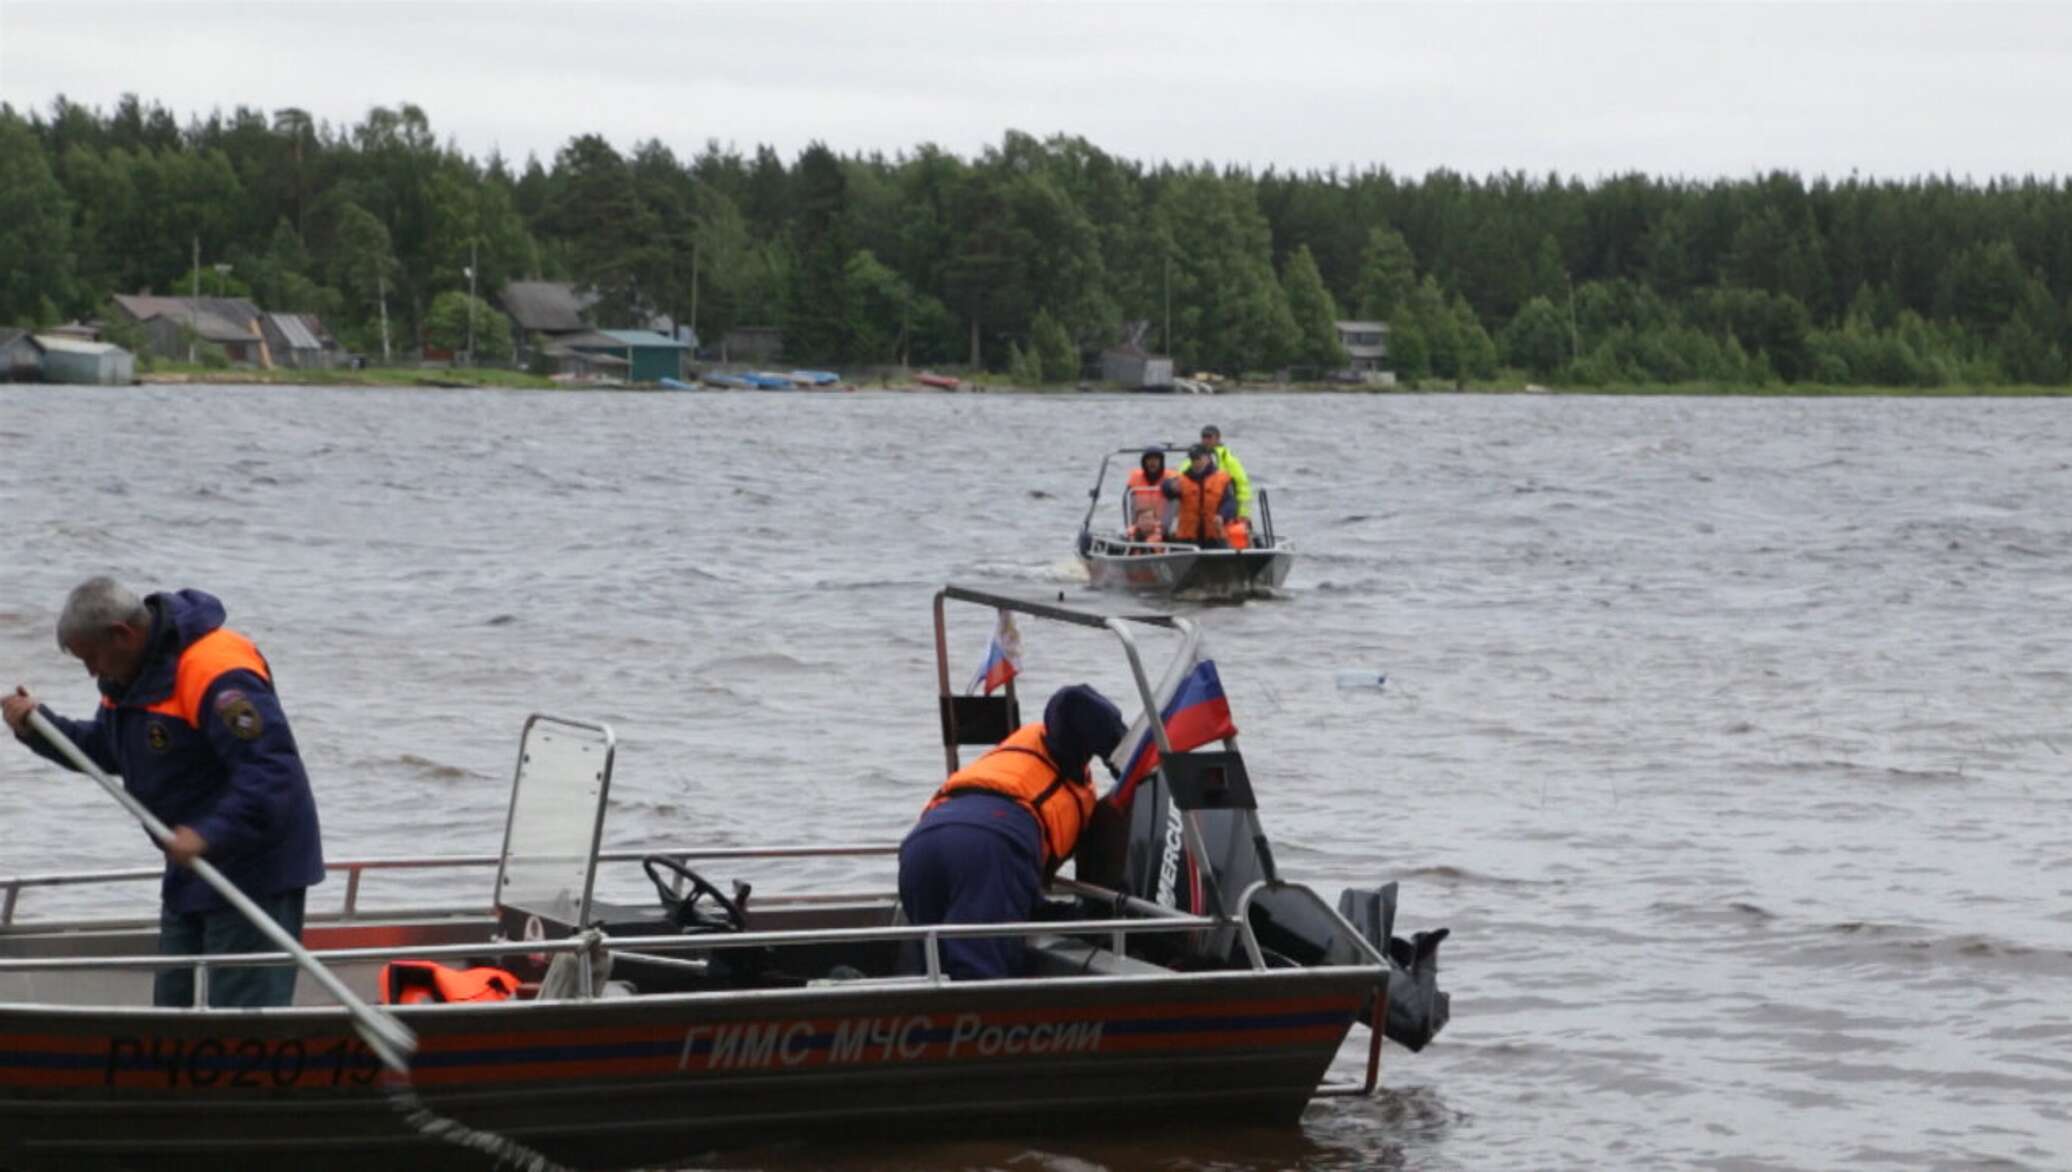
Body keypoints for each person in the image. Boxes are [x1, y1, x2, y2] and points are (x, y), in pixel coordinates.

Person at [1, 578, 324, 1008]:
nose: (92, 672)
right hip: (191, 865)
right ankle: (168, 1069)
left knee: (237, 1010)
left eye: (92, 657)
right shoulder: (131, 676)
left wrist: (207, 833)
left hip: (253, 866)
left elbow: (272, 773)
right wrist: (40, 726)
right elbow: (110, 750)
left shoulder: (217, 673)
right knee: (176, 1000)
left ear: (123, 633)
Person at [897, 685, 1125, 979]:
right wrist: (1121, 748)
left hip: (922, 842)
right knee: (979, 974)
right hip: (991, 843)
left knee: (931, 971)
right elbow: (1073, 703)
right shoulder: (1068, 769)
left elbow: (1017, 893)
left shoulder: (1021, 747)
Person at [1162, 443, 1237, 549]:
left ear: (1207, 457)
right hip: (1188, 539)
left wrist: (1222, 515)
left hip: (1214, 537)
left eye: (1197, 458)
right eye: (1192, 459)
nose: (1195, 462)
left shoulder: (1223, 479)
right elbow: (1166, 489)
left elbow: (1230, 502)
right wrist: (1170, 487)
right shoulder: (1182, 479)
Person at [1199, 425, 1253, 520]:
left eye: (1209, 437)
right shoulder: (1193, 458)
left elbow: (1243, 486)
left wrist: (1243, 514)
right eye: (1204, 437)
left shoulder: (1229, 460)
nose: (1206, 440)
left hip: (1223, 503)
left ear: (1218, 438)